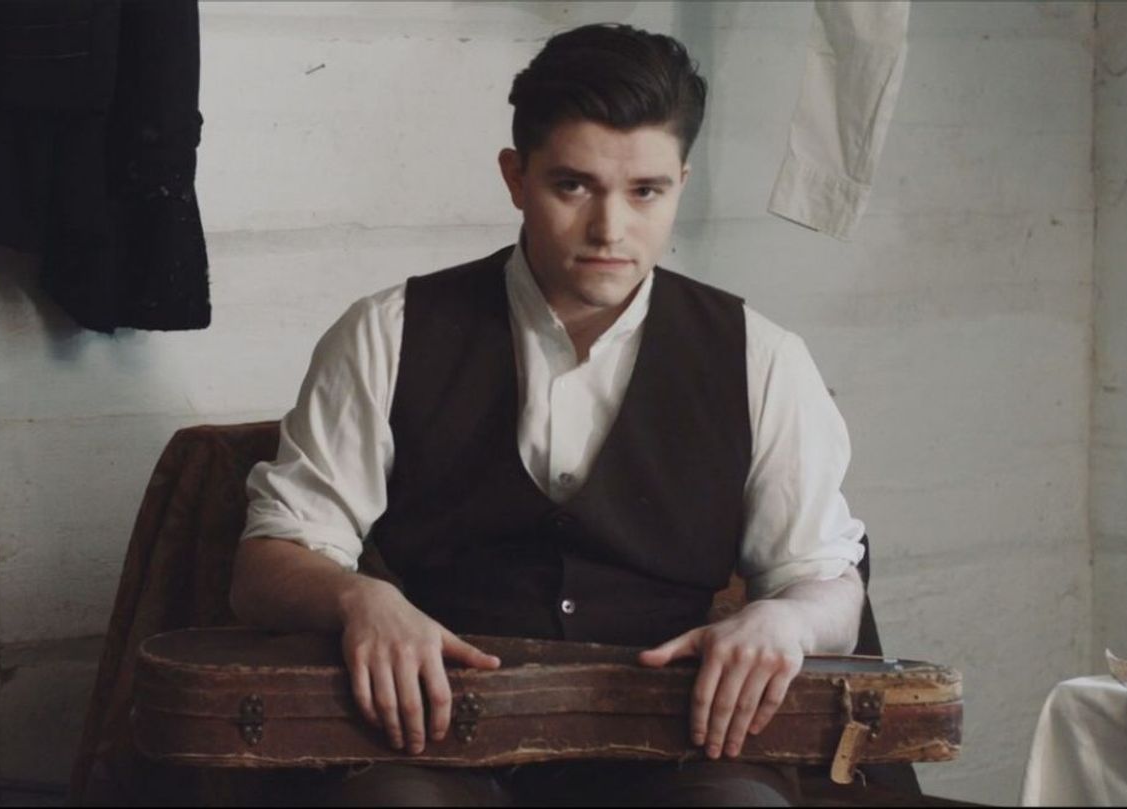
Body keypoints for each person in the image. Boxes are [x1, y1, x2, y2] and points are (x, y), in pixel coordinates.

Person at [230, 23, 869, 807]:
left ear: (681, 182)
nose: (610, 229)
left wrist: (789, 623)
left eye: (646, 191)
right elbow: (266, 563)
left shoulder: (760, 358)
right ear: (515, 176)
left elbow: (826, 583)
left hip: (679, 745)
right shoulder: (387, 333)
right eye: (573, 186)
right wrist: (361, 597)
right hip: (437, 738)